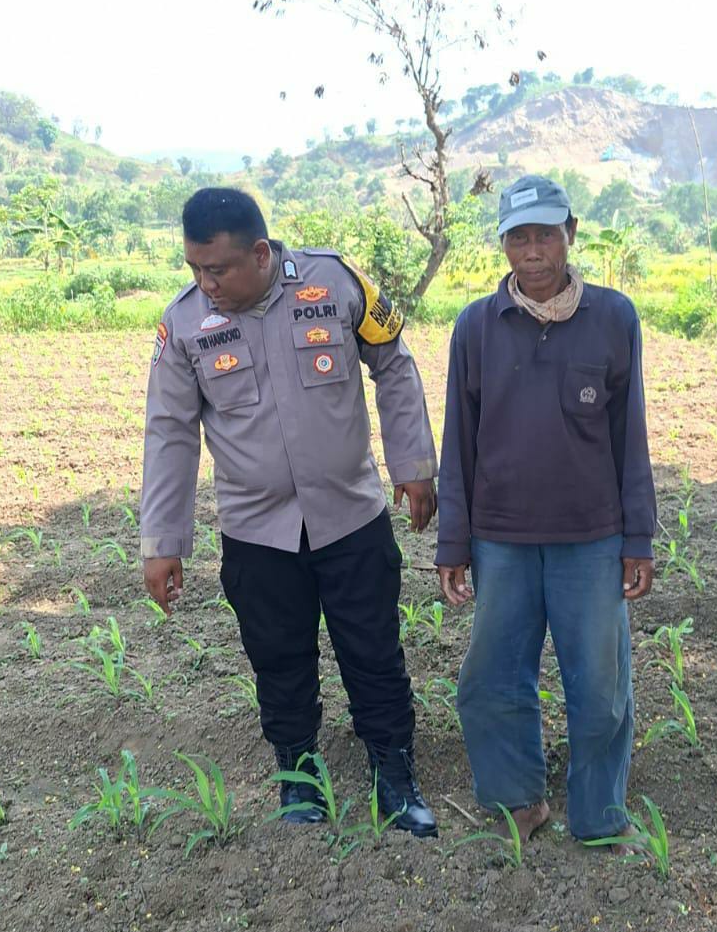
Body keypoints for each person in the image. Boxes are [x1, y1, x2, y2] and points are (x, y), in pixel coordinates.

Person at [140, 187, 440, 838]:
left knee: (374, 651)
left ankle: (394, 774)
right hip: (258, 533)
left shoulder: (336, 282)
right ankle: (299, 776)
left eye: (218, 269)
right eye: (195, 268)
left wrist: (413, 462)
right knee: (278, 660)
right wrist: (163, 541)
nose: (206, 283)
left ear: (259, 252)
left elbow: (393, 360)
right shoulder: (184, 324)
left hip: (351, 518)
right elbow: (169, 431)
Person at [434, 174, 656, 847]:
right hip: (500, 538)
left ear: (571, 234)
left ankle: (598, 818)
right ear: (503, 244)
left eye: (546, 236)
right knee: (492, 680)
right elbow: (458, 440)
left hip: (591, 538)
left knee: (601, 689)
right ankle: (517, 803)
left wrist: (638, 537)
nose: (533, 252)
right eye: (518, 238)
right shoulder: (476, 326)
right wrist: (452, 542)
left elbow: (630, 434)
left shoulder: (614, 318)